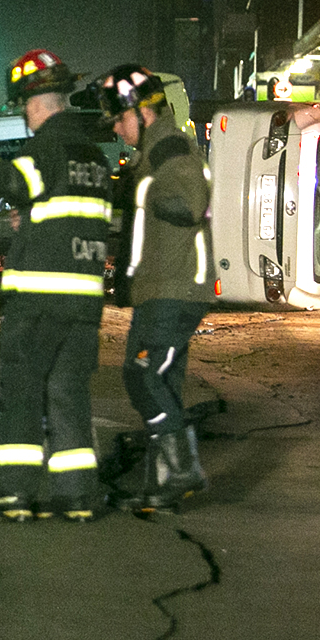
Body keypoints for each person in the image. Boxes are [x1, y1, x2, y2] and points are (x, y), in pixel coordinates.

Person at [0, 49, 114, 522]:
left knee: (22, 395)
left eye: (23, 107)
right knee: (69, 394)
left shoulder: (43, 149)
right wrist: (30, 220)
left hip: (37, 302)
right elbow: (69, 215)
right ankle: (78, 496)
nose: (24, 117)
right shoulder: (93, 158)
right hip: (83, 302)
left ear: (35, 104)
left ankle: (15, 495)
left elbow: (14, 181)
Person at [91, 64, 216, 513]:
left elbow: (188, 203)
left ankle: (181, 469)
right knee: (162, 380)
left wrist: (143, 193)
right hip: (163, 288)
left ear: (142, 112)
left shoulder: (169, 148)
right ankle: (165, 482)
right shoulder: (152, 151)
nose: (118, 133)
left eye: (120, 121)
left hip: (174, 288)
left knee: (142, 374)